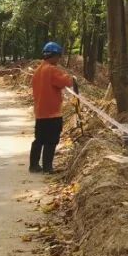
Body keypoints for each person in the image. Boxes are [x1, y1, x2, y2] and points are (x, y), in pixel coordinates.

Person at [30, 41, 78, 174]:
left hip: (40, 113)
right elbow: (66, 81)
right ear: (54, 55)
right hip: (52, 113)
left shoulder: (38, 71)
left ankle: (34, 165)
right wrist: (71, 77)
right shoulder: (51, 70)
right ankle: (47, 167)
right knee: (51, 141)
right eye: (58, 56)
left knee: (39, 140)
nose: (58, 59)